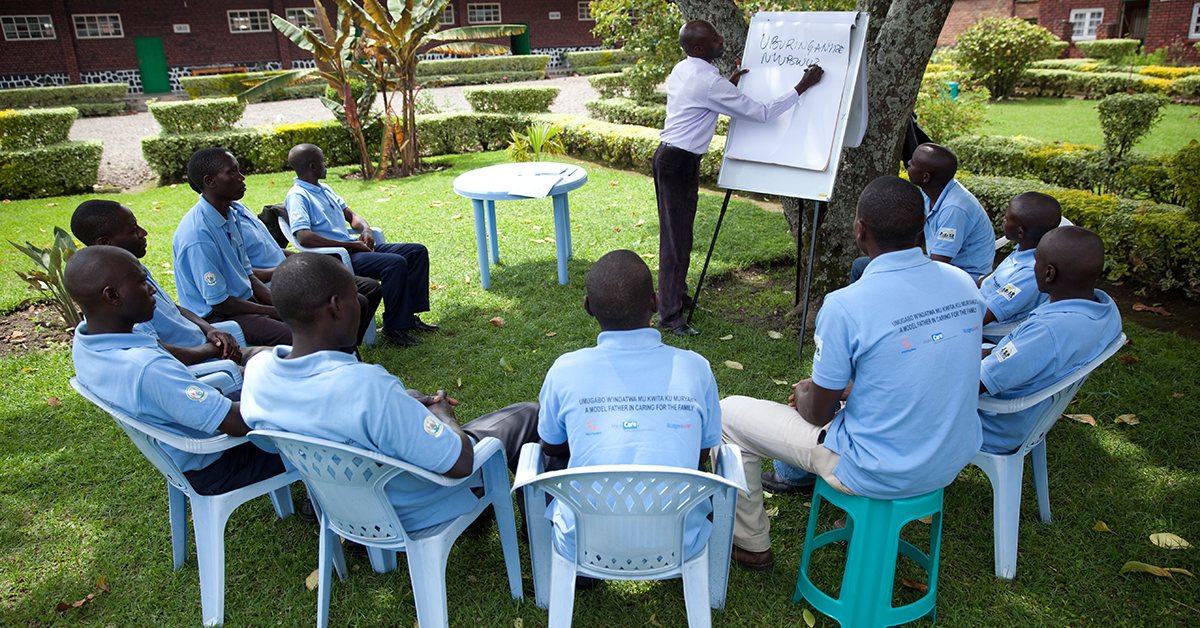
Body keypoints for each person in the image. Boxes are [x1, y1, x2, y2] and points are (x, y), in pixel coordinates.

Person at [719, 176, 984, 571]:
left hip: (875, 466)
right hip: (948, 458)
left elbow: (818, 415)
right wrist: (847, 390)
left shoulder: (846, 305)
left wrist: (811, 393)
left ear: (860, 230)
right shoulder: (964, 283)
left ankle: (751, 543)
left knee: (729, 415)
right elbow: (919, 367)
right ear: (924, 225)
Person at [240, 252, 554, 533]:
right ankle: (545, 531)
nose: (362, 309)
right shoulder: (367, 387)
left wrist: (403, 405)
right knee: (527, 415)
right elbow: (459, 463)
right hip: (408, 505)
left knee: (412, 398)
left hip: (341, 502)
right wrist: (443, 415)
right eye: (354, 299)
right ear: (336, 307)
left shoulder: (258, 373)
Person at [537, 249, 722, 564]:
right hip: (680, 541)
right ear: (654, 302)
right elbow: (701, 454)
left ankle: (578, 572)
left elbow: (552, 447)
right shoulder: (695, 368)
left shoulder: (564, 370)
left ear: (587, 308)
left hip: (583, 542)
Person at [65, 245, 286, 495]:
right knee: (319, 414)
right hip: (220, 462)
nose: (152, 289)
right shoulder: (146, 368)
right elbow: (235, 422)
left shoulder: (87, 340)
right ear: (113, 296)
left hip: (185, 443)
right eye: (142, 282)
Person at [654, 19, 824, 336]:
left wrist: (727, 88)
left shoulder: (685, 69)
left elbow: (700, 103)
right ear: (699, 48)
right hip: (678, 163)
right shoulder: (707, 81)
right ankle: (669, 316)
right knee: (676, 242)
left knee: (680, 237)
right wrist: (802, 86)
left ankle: (676, 298)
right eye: (714, 38)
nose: (722, 39)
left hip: (671, 158)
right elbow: (760, 113)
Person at [69, 199, 268, 367]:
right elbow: (158, 351)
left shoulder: (133, 269)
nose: (143, 232)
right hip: (207, 364)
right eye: (132, 230)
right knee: (285, 366)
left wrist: (209, 329)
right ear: (105, 243)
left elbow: (174, 308)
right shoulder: (123, 295)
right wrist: (210, 350)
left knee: (285, 356)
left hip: (213, 347)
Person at [979, 226, 1122, 454]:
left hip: (991, 425)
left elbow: (976, 383)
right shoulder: (1104, 309)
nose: (1031, 267)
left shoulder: (1048, 332)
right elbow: (1013, 355)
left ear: (1049, 273)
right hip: (1030, 414)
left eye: (1035, 261)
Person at [284, 143, 436, 347]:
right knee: (394, 263)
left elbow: (351, 216)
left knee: (416, 252)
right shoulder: (298, 196)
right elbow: (303, 237)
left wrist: (365, 230)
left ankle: (408, 317)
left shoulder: (324, 189)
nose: (326, 165)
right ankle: (394, 328)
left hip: (353, 248)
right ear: (312, 166)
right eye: (322, 161)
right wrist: (351, 247)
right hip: (336, 257)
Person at [172, 148, 292, 346]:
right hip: (221, 317)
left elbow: (248, 275)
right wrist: (272, 311)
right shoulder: (198, 235)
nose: (242, 178)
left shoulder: (230, 215)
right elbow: (219, 302)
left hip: (246, 302)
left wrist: (278, 304)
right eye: (232, 172)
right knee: (299, 335)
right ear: (210, 181)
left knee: (312, 316)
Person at [228, 202, 384, 348]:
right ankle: (337, 349)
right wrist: (285, 268)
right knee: (357, 301)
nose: (241, 178)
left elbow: (272, 249)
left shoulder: (239, 208)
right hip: (277, 281)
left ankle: (343, 347)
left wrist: (304, 259)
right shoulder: (220, 227)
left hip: (291, 270)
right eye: (233, 173)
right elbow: (244, 273)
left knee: (370, 288)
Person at [907, 143, 995, 280]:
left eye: (913, 162)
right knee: (866, 266)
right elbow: (917, 235)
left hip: (964, 278)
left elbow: (939, 265)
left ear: (926, 177)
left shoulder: (954, 209)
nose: (908, 163)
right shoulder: (929, 193)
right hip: (940, 267)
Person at [978, 192, 1062, 326]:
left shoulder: (1030, 273)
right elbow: (994, 277)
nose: (1003, 220)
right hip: (975, 303)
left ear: (1020, 232)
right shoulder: (1024, 249)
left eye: (1006, 218)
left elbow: (982, 317)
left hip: (985, 328)